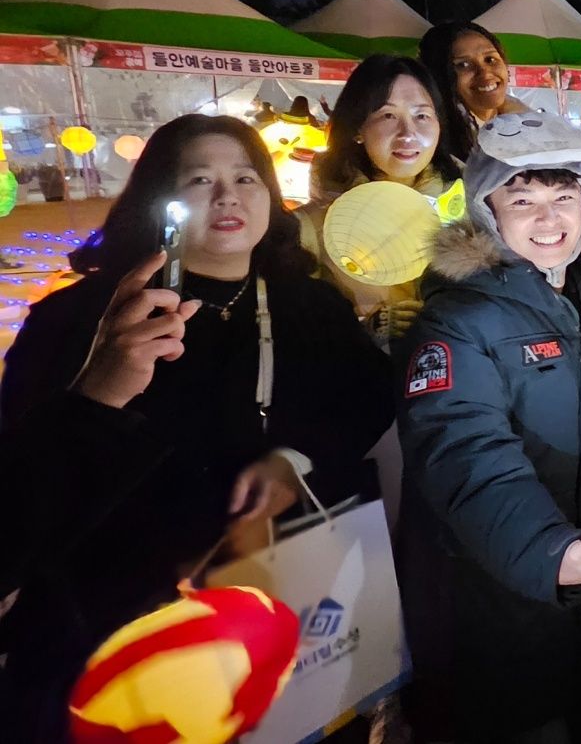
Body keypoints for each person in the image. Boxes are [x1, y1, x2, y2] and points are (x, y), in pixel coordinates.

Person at [0, 114, 392, 739]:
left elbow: (367, 397)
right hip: (123, 629)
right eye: (200, 179)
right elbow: (20, 490)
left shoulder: (307, 304)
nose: (227, 195)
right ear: (159, 200)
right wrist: (97, 393)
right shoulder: (82, 318)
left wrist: (295, 459)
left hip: (280, 611)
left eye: (246, 177)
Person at [395, 109, 581, 742]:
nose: (549, 219)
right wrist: (548, 552)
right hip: (488, 589)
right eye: (524, 199)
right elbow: (464, 450)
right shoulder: (457, 318)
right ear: (488, 209)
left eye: (565, 196)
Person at [298, 54, 462, 343]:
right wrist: (367, 329)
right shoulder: (312, 227)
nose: (408, 134)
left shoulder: (472, 208)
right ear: (357, 128)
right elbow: (296, 330)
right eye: (388, 116)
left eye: (422, 115)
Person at [419, 21, 532, 161]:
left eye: (490, 59)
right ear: (441, 76)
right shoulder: (433, 143)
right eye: (463, 65)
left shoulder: (529, 122)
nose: (484, 73)